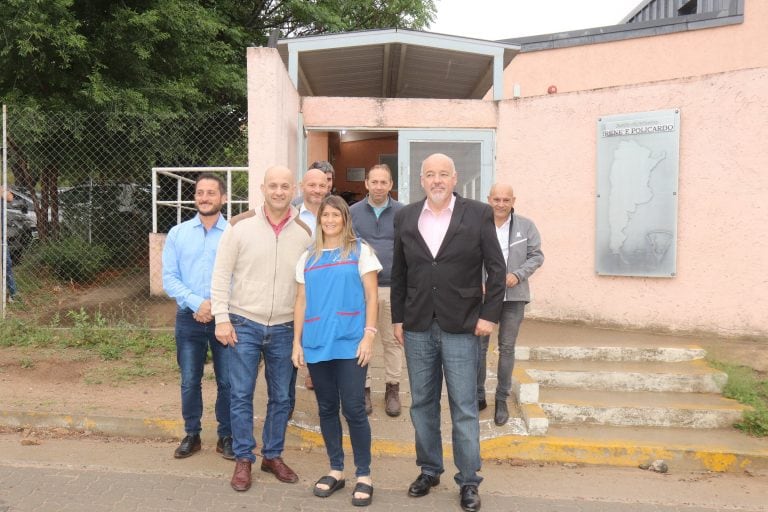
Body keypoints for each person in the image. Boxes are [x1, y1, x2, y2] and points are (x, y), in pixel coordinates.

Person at [391, 153, 506, 512]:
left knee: (464, 408)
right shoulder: (406, 216)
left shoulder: (478, 214)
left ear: (455, 178)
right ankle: (429, 469)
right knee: (422, 405)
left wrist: (489, 316)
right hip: (418, 326)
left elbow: (497, 270)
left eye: (443, 174)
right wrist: (398, 319)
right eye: (430, 174)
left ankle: (469, 480)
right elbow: (400, 273)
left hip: (463, 325)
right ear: (421, 181)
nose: (437, 180)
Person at [211, 165, 312, 492]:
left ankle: (272, 455)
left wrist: (304, 332)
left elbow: (306, 287)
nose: (279, 191)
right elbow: (220, 273)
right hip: (243, 323)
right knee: (241, 394)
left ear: (293, 187)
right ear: (262, 188)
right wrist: (221, 317)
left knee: (281, 396)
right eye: (273, 185)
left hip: (284, 327)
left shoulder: (304, 233)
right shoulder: (239, 226)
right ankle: (244, 458)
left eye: (285, 185)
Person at [292, 195, 381, 507]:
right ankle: (336, 469)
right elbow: (301, 300)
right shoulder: (309, 256)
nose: (329, 220)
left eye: (335, 215)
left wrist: (369, 336)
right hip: (317, 342)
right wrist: (296, 342)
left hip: (350, 342)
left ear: (345, 219)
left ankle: (364, 475)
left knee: (354, 408)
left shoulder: (361, 251)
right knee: (327, 408)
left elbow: (372, 297)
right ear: (320, 220)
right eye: (325, 216)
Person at [161, 173, 232, 460]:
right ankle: (192, 433)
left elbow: (240, 276)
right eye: (200, 192)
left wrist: (216, 307)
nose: (204, 197)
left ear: (223, 198)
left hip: (225, 319)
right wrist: (197, 303)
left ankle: (225, 435)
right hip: (189, 318)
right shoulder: (178, 234)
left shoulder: (234, 234)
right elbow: (169, 278)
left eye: (211, 192)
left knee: (227, 381)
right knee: (190, 379)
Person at [477, 183, 544, 426]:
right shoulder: (478, 225)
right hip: (483, 296)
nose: (501, 204)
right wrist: (478, 283)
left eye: (506, 199)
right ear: (489, 199)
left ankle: (501, 399)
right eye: (496, 199)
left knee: (507, 348)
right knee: (479, 348)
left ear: (513, 200)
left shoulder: (526, 226)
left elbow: (537, 256)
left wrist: (518, 274)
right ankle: (478, 395)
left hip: (514, 297)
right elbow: (466, 256)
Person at [350, 164, 404, 417]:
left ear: (391, 184)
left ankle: (392, 388)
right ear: (366, 184)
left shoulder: (404, 213)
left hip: (393, 288)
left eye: (384, 182)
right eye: (375, 182)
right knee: (363, 340)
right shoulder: (352, 213)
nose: (379, 186)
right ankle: (364, 388)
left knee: (393, 341)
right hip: (361, 289)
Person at [292, 166, 329, 393]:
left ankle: (317, 372)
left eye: (322, 185)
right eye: (312, 185)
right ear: (302, 186)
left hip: (327, 285)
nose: (317, 190)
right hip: (299, 284)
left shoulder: (335, 213)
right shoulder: (291, 214)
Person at [1, 186, 18, 301]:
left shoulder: (2, 189)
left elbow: (10, 198)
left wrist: (3, 191)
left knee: (7, 263)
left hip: (1, 236)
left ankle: (12, 293)